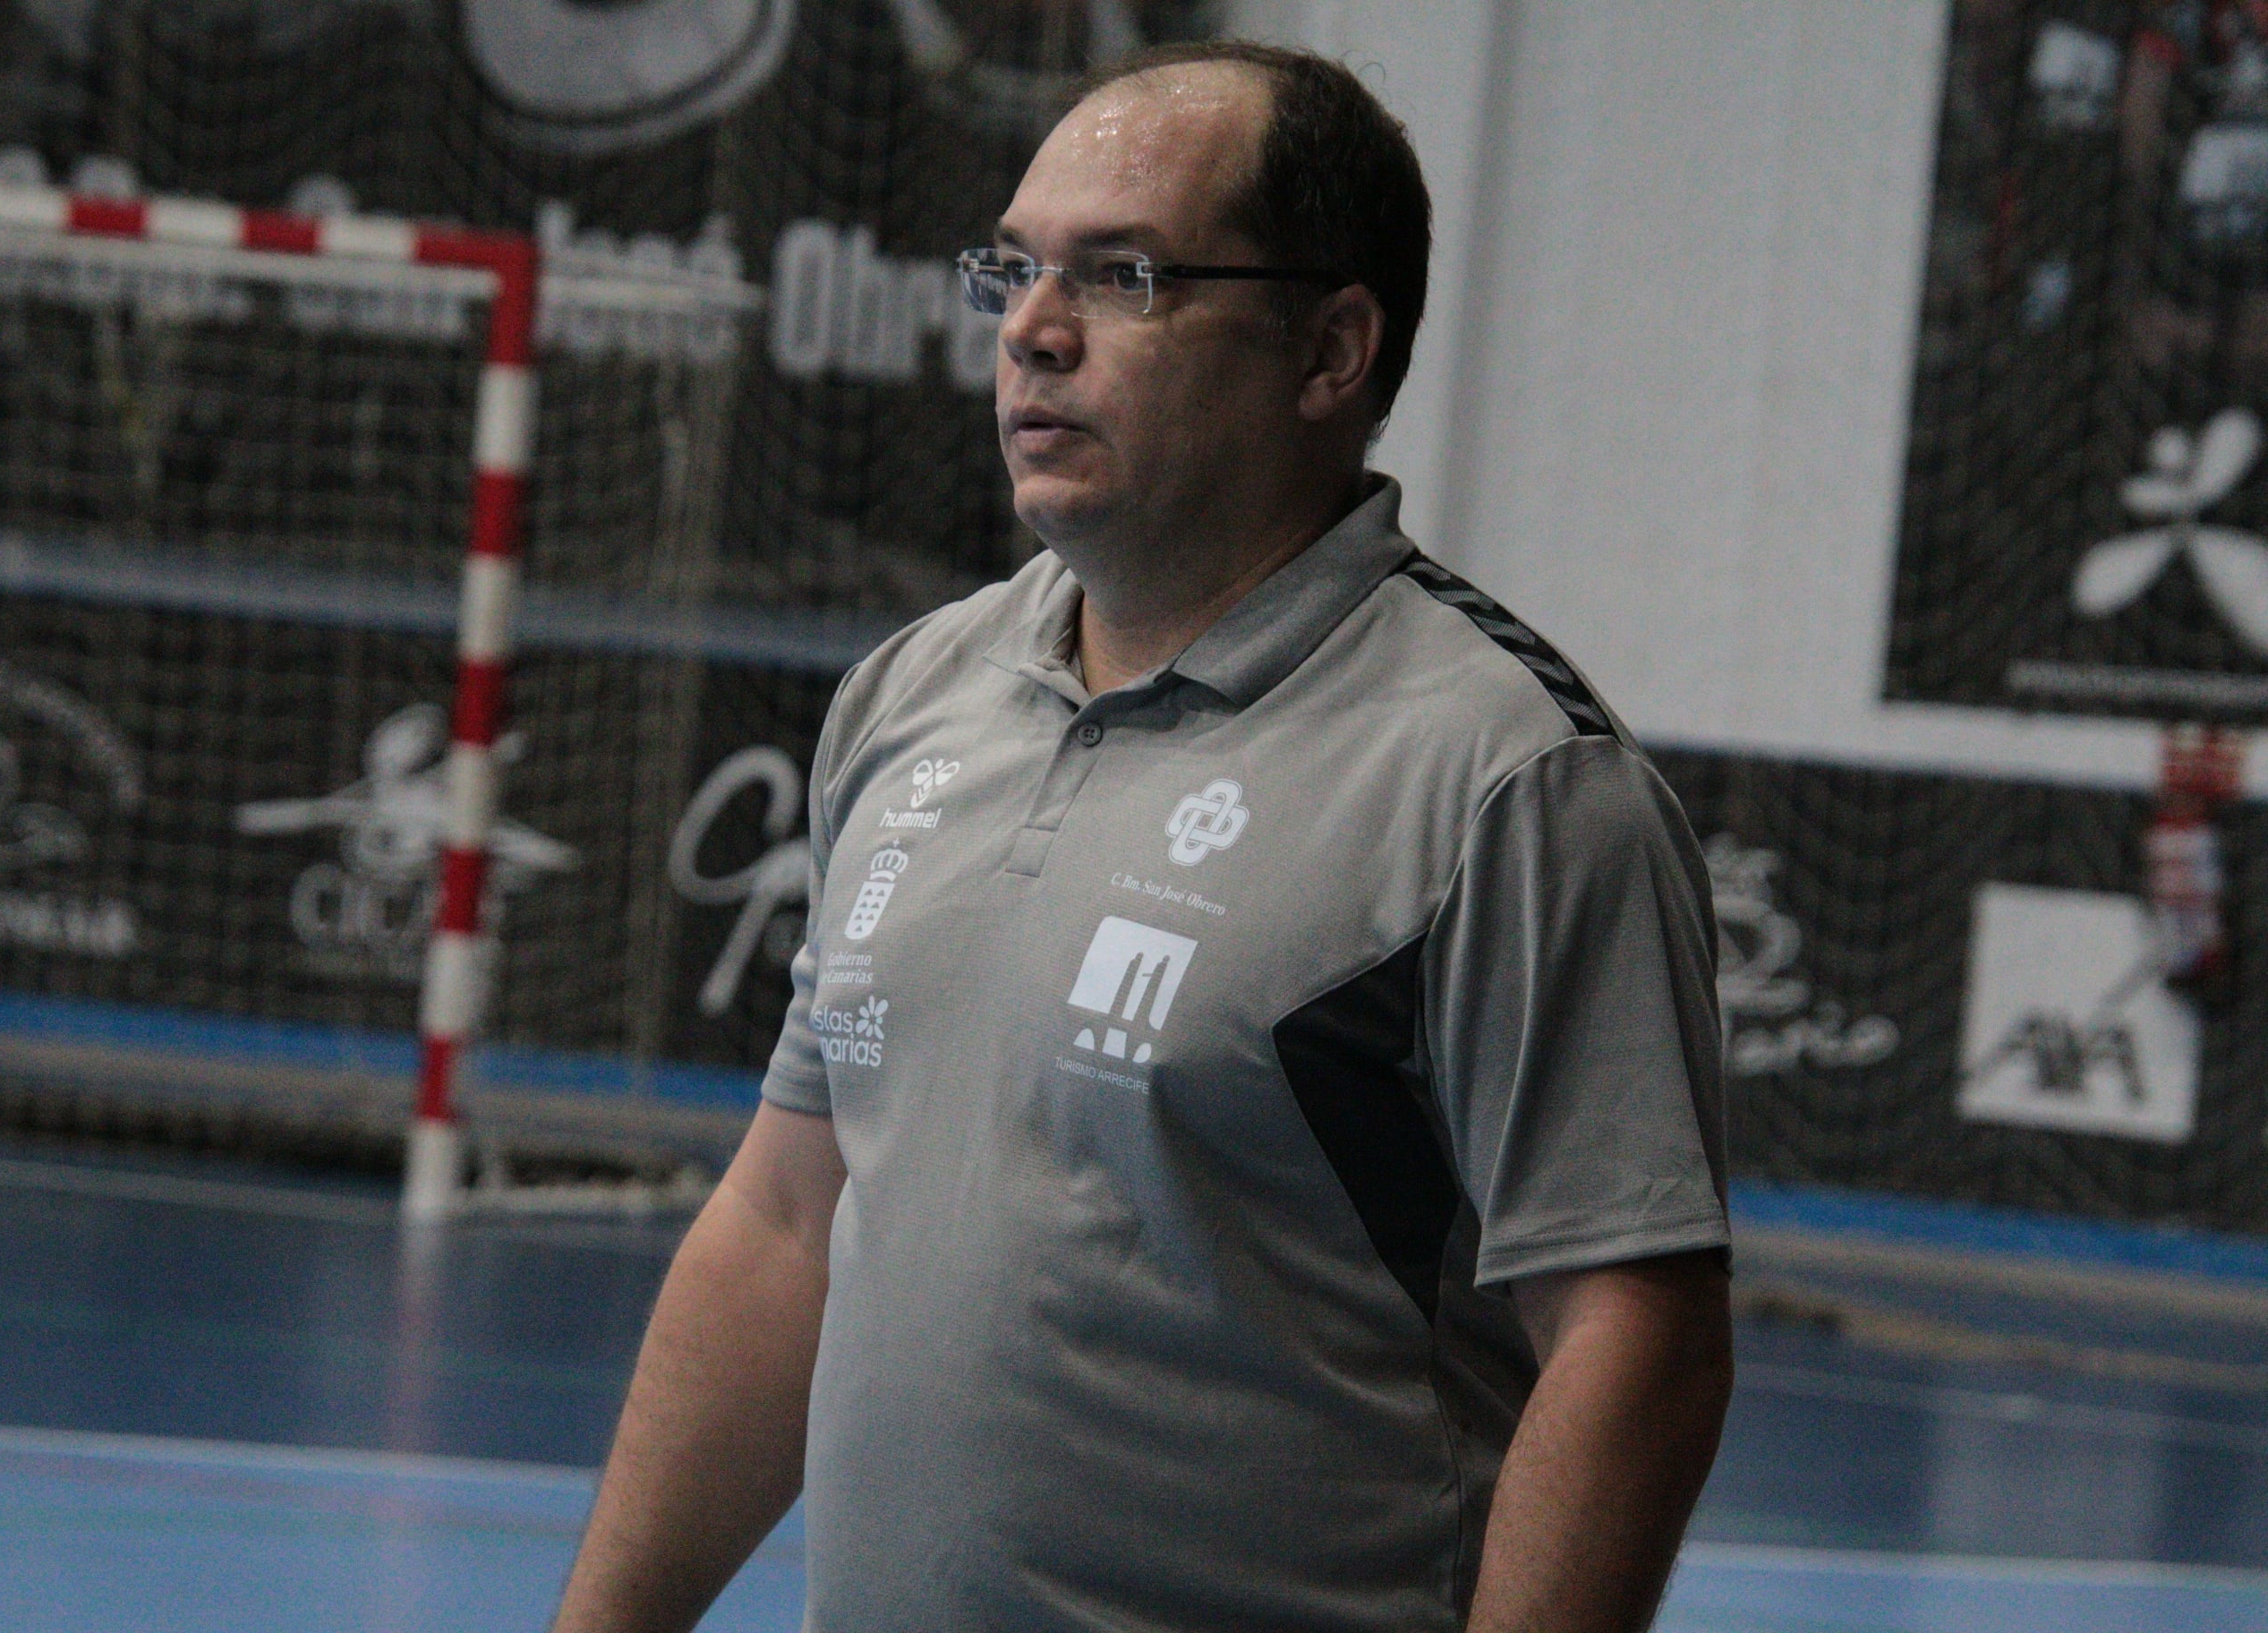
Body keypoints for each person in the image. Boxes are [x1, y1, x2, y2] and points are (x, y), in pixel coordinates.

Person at [554, 40, 1733, 1633]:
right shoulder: (915, 695)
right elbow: (784, 1224)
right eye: (1015, 269)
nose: (1032, 333)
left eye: (1122, 276)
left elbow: (1634, 1336)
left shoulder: (1507, 778)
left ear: (1330, 348)